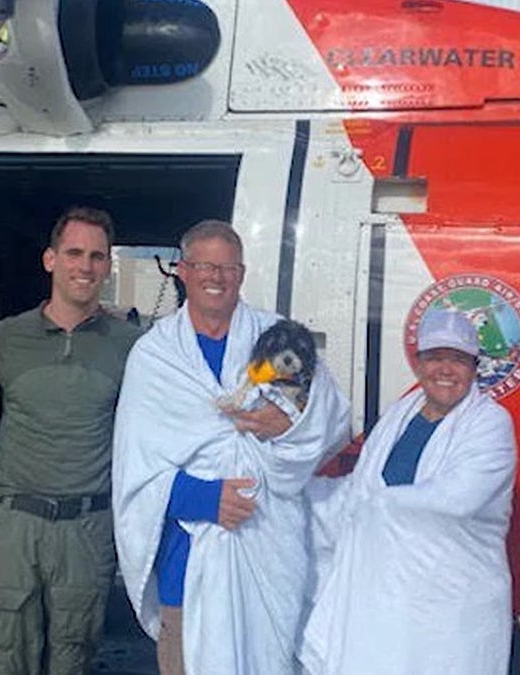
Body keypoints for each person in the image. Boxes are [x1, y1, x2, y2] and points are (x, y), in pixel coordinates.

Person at [112, 219, 351, 675]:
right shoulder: (156, 355)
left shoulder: (276, 338)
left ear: (242, 273)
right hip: (188, 560)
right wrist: (204, 498)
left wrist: (286, 424)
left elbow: (333, 417)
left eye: (227, 267)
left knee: (269, 661)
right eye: (204, 265)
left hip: (269, 545)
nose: (215, 277)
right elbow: (134, 468)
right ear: (182, 271)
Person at [0, 206, 144, 675]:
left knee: (72, 657)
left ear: (107, 266)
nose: (85, 266)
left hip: (86, 526)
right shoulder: (6, 338)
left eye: (97, 256)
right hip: (12, 523)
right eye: (74, 253)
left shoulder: (130, 345)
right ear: (49, 260)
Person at [298, 308, 516, 675]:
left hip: (449, 607)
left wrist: (374, 505)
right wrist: (297, 497)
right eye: (435, 358)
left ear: (474, 366)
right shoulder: (401, 413)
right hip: (383, 603)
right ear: (417, 363)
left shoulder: (491, 424)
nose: (445, 370)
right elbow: (360, 489)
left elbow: (457, 499)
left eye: (458, 359)